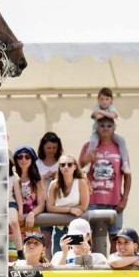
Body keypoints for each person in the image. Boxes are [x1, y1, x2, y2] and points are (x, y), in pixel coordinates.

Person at [79, 116, 130, 244]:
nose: (105, 128)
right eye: (102, 125)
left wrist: (124, 199)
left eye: (109, 125)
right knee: (88, 237)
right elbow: (78, 171)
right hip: (92, 201)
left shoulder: (120, 148)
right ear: (96, 128)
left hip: (114, 202)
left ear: (114, 129)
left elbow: (128, 175)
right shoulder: (88, 147)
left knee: (115, 239)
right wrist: (87, 159)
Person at [45, 154, 89, 256]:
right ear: (59, 167)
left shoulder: (81, 182)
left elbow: (83, 206)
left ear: (75, 167)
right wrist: (70, 209)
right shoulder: (54, 184)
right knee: (58, 259)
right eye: (62, 165)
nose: (66, 167)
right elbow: (50, 207)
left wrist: (60, 209)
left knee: (79, 258)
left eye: (69, 164)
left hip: (78, 229)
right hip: (59, 228)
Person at [85, 87, 131, 173]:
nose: (104, 101)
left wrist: (101, 112)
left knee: (121, 140)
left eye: (107, 99)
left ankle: (125, 163)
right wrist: (108, 114)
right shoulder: (96, 107)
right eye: (102, 99)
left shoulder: (111, 107)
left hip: (110, 134)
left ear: (111, 100)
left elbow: (113, 116)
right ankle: (88, 163)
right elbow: (98, 117)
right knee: (93, 142)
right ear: (98, 100)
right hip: (97, 132)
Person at [14, 146, 44, 235]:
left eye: (27, 157)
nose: (23, 159)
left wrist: (32, 214)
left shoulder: (38, 179)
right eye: (20, 157)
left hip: (32, 224)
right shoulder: (11, 178)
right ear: (16, 160)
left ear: (32, 160)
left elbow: (41, 205)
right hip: (14, 225)